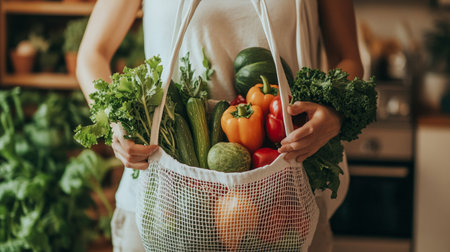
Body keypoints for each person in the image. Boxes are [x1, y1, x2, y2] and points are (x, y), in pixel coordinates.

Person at [77, 0, 363, 251]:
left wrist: (334, 112)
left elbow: (347, 57)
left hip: (284, 199)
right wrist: (116, 122)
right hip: (167, 199)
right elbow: (93, 53)